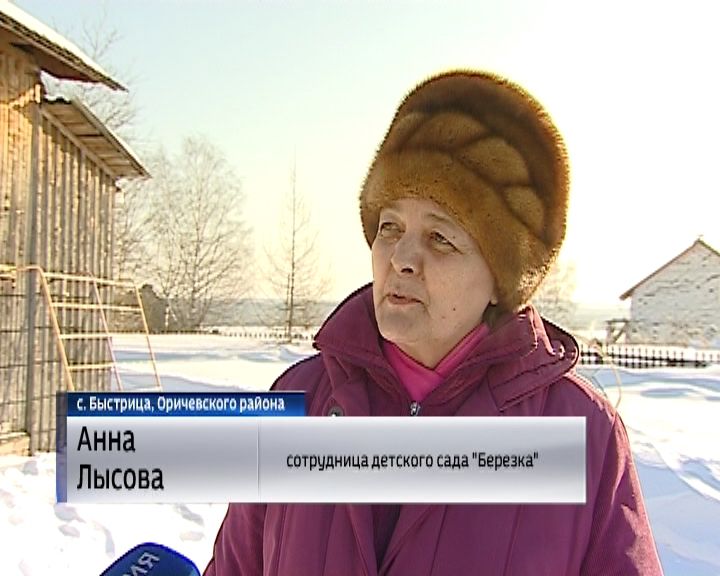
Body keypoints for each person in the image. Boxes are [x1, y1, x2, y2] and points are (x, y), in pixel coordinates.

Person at [204, 70, 663, 575]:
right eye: (390, 227)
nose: (401, 257)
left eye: (440, 238)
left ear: (501, 279)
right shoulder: (298, 402)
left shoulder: (583, 436)